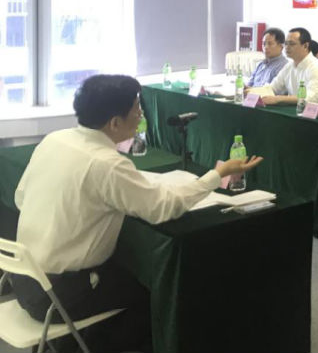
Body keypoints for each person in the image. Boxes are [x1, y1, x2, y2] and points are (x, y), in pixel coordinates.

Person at [12, 75, 262, 353]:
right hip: (60, 294)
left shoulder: (54, 140)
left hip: (23, 278)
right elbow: (162, 208)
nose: (141, 114)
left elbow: (20, 198)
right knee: (160, 291)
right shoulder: (107, 163)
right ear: (114, 123)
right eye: (136, 108)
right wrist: (216, 175)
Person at [264, 27, 318, 108]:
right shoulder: (289, 66)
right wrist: (253, 92)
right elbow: (272, 88)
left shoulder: (317, 67)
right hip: (298, 111)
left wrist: (279, 99)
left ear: (305, 46)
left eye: (292, 44)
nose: (287, 47)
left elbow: (310, 98)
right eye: (286, 43)